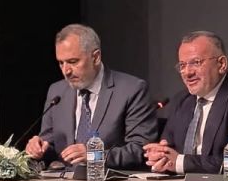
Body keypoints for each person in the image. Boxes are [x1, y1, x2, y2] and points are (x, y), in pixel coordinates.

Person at [25, 24, 156, 169]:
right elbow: (49, 144)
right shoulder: (57, 91)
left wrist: (95, 156)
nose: (66, 71)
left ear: (96, 57)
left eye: (73, 62)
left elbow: (140, 150)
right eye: (61, 63)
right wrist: (38, 149)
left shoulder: (132, 89)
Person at [143, 30, 228, 174]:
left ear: (221, 64)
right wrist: (160, 156)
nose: (187, 72)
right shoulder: (181, 100)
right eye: (182, 65)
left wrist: (180, 162)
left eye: (196, 62)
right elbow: (168, 151)